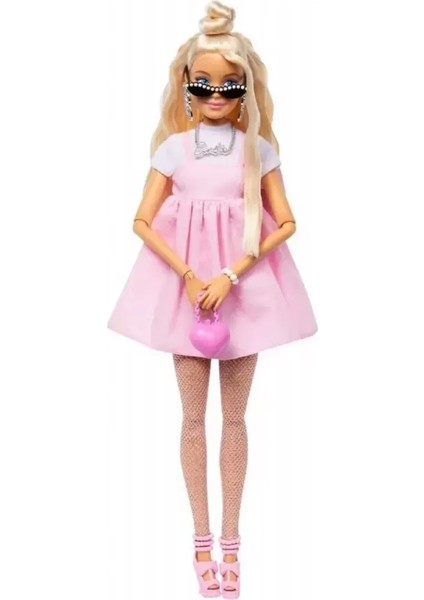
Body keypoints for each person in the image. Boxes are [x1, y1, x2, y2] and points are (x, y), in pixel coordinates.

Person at [107, 1, 318, 596]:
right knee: (193, 419)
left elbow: (286, 221)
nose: (216, 95)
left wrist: (230, 272)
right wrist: (187, 274)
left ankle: (233, 542)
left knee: (236, 420)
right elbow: (142, 220)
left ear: (245, 88)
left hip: (242, 295)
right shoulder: (174, 149)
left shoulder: (258, 152)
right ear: (186, 86)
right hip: (188, 297)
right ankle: (201, 542)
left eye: (230, 85)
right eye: (203, 84)